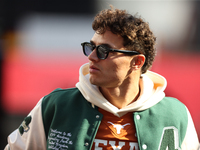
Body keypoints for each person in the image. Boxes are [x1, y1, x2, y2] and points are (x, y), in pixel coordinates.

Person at [4, 6, 199, 150]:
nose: (91, 56)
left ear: (137, 62)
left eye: (104, 50)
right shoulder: (55, 105)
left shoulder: (176, 114)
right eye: (91, 47)